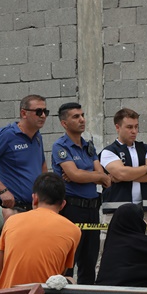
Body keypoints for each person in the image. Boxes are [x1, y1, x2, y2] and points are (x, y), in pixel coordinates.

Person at [52, 102, 111, 284]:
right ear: (64, 123)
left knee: (89, 261)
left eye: (82, 115)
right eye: (76, 116)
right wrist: (88, 175)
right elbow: (75, 174)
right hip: (72, 208)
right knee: (69, 261)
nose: (82, 119)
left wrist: (82, 175)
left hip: (92, 209)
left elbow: (105, 178)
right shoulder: (61, 146)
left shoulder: (88, 146)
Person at [0, 172, 81, 289]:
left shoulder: (12, 221)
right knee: (70, 280)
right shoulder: (73, 230)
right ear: (63, 204)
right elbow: (58, 275)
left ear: (34, 199)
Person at [0, 94, 48, 211]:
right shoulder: (6, 135)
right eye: (38, 112)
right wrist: (3, 190)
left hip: (36, 207)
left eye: (45, 111)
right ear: (24, 113)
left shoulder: (37, 136)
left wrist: (45, 193)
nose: (43, 116)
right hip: (16, 208)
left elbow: (42, 165)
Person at [99, 108, 147, 217]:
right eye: (129, 127)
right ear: (117, 127)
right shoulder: (109, 151)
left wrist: (124, 177)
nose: (134, 131)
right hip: (115, 209)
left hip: (141, 209)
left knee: (140, 235)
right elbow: (122, 173)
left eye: (136, 127)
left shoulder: (145, 148)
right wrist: (146, 168)